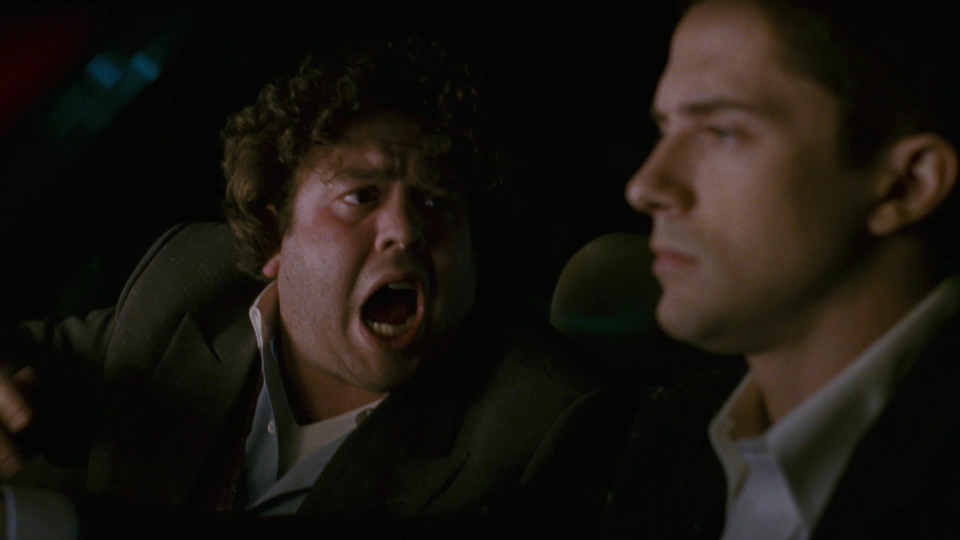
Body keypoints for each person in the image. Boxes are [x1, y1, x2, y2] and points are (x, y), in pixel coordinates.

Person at [0, 35, 618, 537]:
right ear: (275, 235)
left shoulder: (543, 425)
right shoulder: (188, 285)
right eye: (362, 196)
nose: (406, 230)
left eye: (437, 203)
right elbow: (30, 359)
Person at [598, 0, 960, 538]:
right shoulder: (674, 434)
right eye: (665, 129)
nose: (646, 186)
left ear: (906, 185)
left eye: (721, 131)